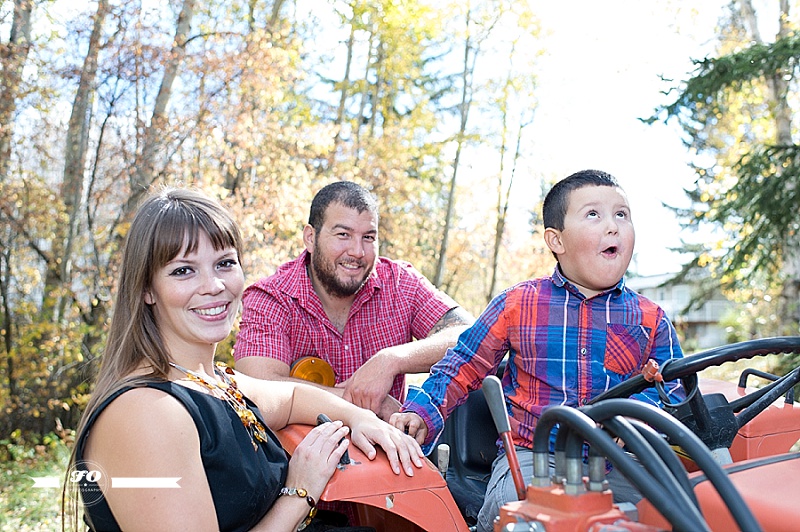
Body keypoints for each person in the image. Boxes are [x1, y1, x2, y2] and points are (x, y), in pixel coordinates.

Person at [64, 187, 424, 532]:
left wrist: (360, 417)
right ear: (146, 289)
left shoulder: (215, 382)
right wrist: (300, 491)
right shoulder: (146, 411)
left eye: (224, 263)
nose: (214, 285)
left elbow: (294, 397)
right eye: (183, 270)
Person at [390, 169, 686, 532]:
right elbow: (462, 365)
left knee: (681, 509)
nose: (613, 226)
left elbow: (675, 389)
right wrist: (420, 412)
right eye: (594, 214)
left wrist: (639, 419)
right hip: (532, 457)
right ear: (556, 240)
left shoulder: (649, 317)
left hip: (614, 462)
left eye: (621, 214)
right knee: (521, 515)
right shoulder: (518, 304)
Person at [234, 181, 473, 420]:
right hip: (297, 453)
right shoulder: (271, 297)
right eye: (343, 235)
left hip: (385, 451)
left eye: (368, 237)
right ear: (310, 237)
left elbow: (470, 336)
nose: (358, 251)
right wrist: (368, 404)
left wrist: (391, 360)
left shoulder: (401, 282)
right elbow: (258, 391)